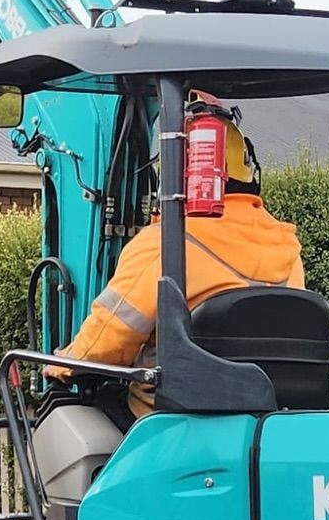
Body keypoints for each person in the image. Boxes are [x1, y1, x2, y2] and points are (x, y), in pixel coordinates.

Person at [60, 96, 304, 417]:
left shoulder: (165, 243)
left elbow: (107, 341)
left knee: (71, 416)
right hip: (266, 418)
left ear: (178, 173)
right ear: (248, 171)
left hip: (173, 420)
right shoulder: (287, 248)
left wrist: (64, 364)